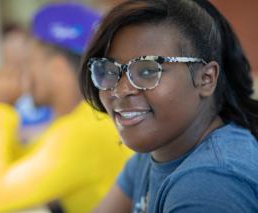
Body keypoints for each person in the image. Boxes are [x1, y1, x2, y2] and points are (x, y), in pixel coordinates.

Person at [79, 0, 258, 212]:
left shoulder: (210, 184)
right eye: (109, 70)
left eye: (147, 71)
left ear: (206, 79)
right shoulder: (155, 154)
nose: (120, 89)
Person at [0, 2, 132, 213]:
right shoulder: (86, 120)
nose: (23, 76)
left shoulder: (81, 133)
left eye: (29, 62)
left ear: (57, 68)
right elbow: (17, 165)